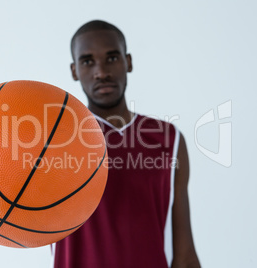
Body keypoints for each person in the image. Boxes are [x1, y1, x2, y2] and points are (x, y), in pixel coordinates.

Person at [53, 20, 200, 268]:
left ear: (128, 62)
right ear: (74, 70)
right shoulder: (54, 140)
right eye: (88, 61)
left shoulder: (169, 139)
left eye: (111, 58)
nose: (101, 72)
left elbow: (184, 254)